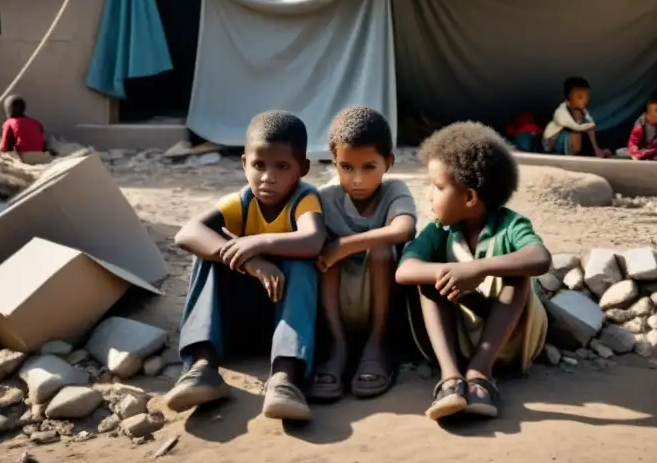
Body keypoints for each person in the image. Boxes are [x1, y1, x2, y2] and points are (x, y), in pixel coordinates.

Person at [167, 110, 326, 422]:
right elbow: (187, 234)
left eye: (282, 166)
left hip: (287, 322)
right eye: (258, 165)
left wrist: (256, 243)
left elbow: (312, 240)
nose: (268, 177)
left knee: (302, 266)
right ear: (244, 164)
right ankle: (203, 367)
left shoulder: (304, 198)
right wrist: (251, 262)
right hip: (238, 325)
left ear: (302, 169)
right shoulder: (240, 202)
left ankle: (286, 377)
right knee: (210, 256)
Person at [396, 122, 552, 422]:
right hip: (459, 338)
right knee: (429, 280)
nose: (429, 195)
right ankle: (451, 378)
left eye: (438, 187)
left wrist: (478, 268)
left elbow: (540, 257)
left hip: (512, 340)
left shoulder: (509, 224)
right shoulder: (439, 231)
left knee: (516, 275)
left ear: (469, 197)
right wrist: (454, 272)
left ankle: (481, 372)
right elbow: (405, 270)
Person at [312, 107, 417, 401]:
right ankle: (337, 346)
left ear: (389, 162)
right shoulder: (325, 197)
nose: (357, 179)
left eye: (369, 167)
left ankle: (377, 344)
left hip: (382, 300)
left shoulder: (394, 190)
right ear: (334, 163)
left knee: (378, 246)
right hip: (339, 302)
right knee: (325, 246)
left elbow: (404, 228)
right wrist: (334, 248)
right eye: (346, 167)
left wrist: (345, 245)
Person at [542, 77, 610, 157]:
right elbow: (576, 127)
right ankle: (570, 156)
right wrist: (588, 126)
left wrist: (597, 150)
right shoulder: (561, 112)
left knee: (584, 124)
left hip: (568, 136)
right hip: (551, 143)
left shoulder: (583, 112)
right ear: (569, 97)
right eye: (580, 97)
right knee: (578, 126)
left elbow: (591, 128)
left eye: (587, 97)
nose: (584, 100)